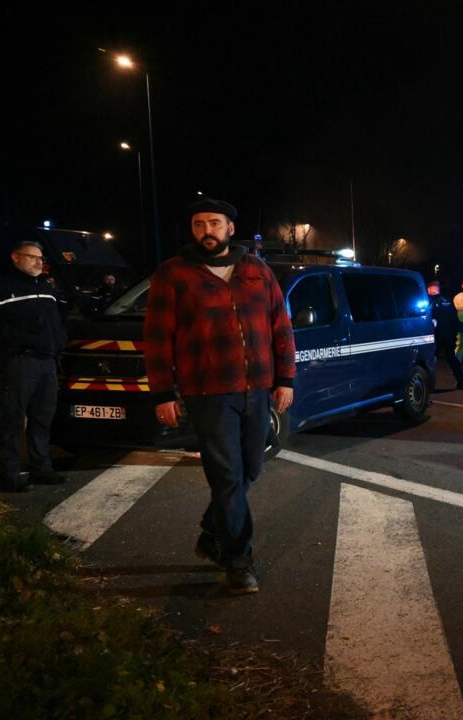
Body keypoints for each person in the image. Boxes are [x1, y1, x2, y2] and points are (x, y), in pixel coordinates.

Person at [143, 197, 295, 595]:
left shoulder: (257, 270)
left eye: (214, 223)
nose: (206, 231)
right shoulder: (174, 273)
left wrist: (286, 379)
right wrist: (162, 392)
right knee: (227, 477)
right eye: (199, 224)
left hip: (257, 389)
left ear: (230, 228)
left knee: (251, 469)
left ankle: (213, 533)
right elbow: (157, 337)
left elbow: (281, 326)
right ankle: (238, 562)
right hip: (207, 393)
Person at [0, 240, 68, 492]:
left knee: (42, 418)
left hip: (47, 362)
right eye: (32, 257)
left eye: (41, 258)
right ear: (15, 257)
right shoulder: (3, 288)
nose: (39, 262)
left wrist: (59, 342)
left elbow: (59, 320)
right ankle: (10, 475)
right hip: (20, 361)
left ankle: (42, 469)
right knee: (13, 420)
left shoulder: (46, 287)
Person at [427, 280, 463, 389]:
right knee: (451, 358)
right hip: (448, 335)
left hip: (435, 336)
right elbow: (455, 319)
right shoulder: (447, 301)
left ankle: (428, 385)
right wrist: (454, 334)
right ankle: (461, 381)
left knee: (429, 360)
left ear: (430, 289)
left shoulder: (428, 302)